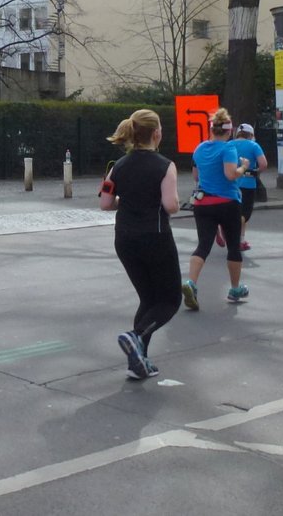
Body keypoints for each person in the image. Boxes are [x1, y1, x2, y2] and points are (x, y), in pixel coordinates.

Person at [99, 109, 181, 380]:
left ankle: (138, 361)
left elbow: (105, 203)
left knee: (148, 298)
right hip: (155, 236)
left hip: (124, 238)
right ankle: (136, 336)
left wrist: (128, 199)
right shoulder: (165, 165)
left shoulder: (118, 166)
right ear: (156, 133)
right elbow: (170, 205)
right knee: (169, 300)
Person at [182, 108, 250, 310]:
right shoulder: (228, 149)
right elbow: (230, 174)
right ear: (229, 131)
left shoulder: (199, 148)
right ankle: (235, 289)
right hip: (227, 203)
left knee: (203, 245)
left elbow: (196, 176)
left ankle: (191, 283)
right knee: (233, 247)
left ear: (211, 129)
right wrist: (243, 167)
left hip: (202, 203)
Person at [232, 124, 268, 252]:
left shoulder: (229, 145)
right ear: (251, 134)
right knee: (244, 214)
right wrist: (257, 171)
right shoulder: (254, 146)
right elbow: (263, 164)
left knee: (235, 210)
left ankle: (241, 240)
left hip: (232, 183)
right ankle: (235, 237)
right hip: (248, 184)